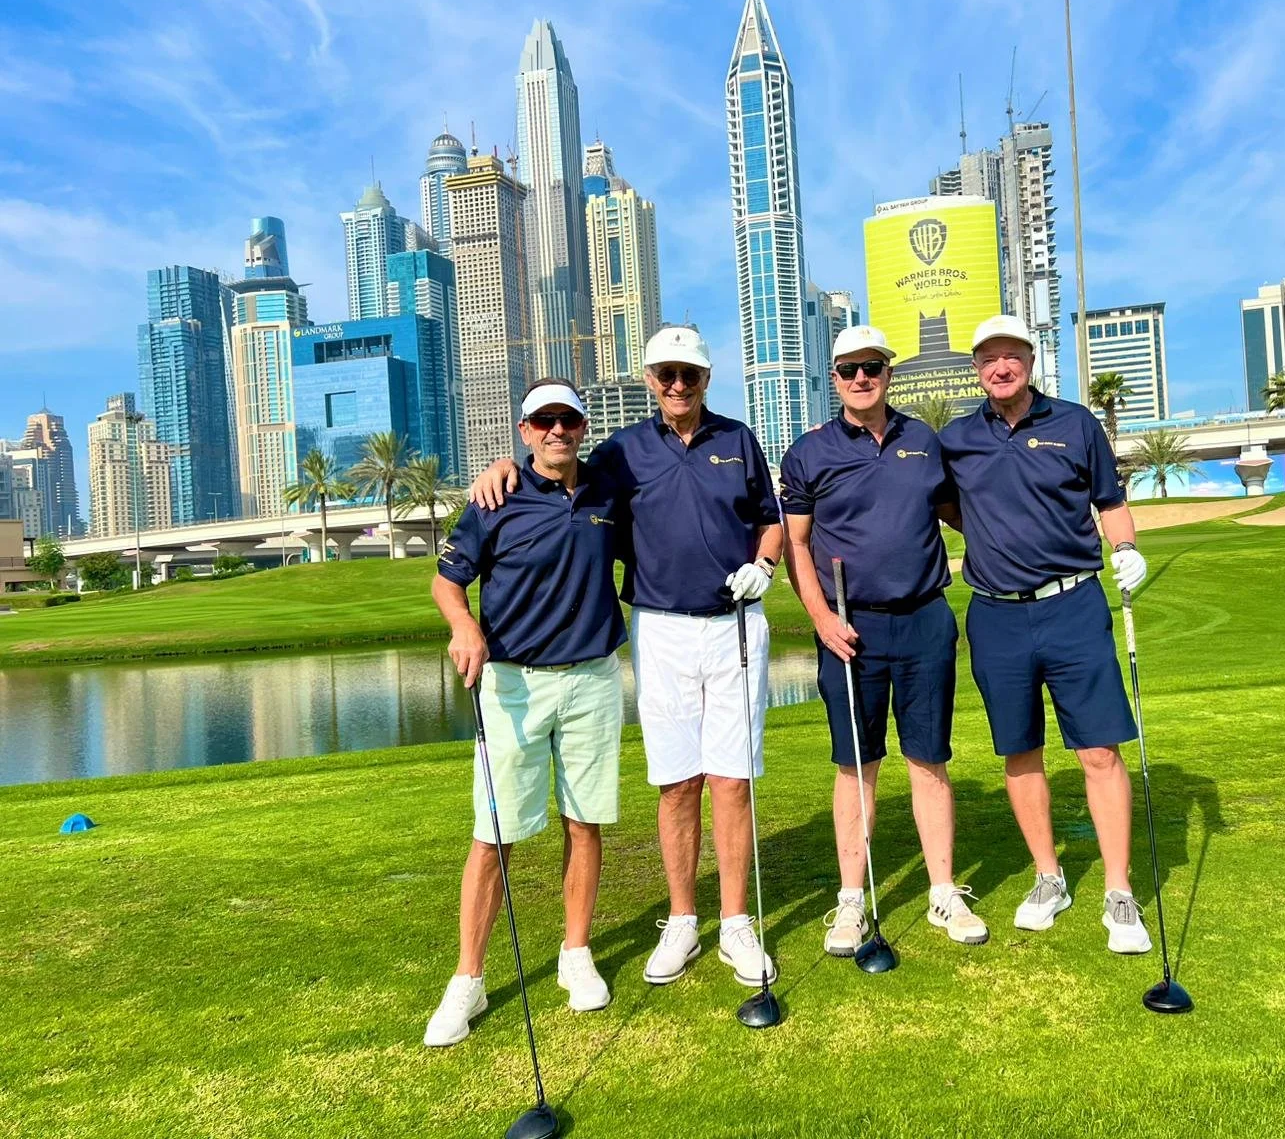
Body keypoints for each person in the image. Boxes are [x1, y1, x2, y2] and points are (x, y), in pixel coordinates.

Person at [469, 326, 785, 991]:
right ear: (650, 380)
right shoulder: (621, 452)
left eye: (689, 376)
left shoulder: (738, 440)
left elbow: (771, 518)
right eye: (665, 375)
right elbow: (556, 471)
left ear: (705, 380)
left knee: (731, 780)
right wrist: (500, 466)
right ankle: (682, 919)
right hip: (661, 628)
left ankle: (734, 923)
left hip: (735, 624)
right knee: (678, 784)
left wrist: (765, 563)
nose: (677, 386)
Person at [938, 315, 1154, 954]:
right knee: (1020, 750)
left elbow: (1109, 501)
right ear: (976, 368)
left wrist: (1127, 547)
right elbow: (945, 503)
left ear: (1029, 361)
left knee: (1099, 750)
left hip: (1074, 606)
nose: (1000, 368)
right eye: (988, 359)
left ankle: (1118, 890)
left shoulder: (1074, 423)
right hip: (996, 614)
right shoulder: (956, 439)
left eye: (1012, 357)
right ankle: (1049, 877)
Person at [423, 378, 628, 1048]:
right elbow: (447, 582)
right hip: (513, 683)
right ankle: (469, 980)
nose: (557, 430)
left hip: (593, 678)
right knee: (494, 834)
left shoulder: (607, 488)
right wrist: (462, 626)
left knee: (584, 820)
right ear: (525, 429)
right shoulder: (496, 497)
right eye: (544, 420)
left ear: (583, 424)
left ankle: (575, 954)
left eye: (567, 418)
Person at [779, 325, 989, 956]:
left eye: (871, 367)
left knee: (928, 758)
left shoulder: (923, 442)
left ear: (888, 372)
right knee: (856, 764)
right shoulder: (809, 451)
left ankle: (943, 890)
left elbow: (964, 510)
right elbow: (795, 542)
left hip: (924, 619)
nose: (860, 378)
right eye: (848, 369)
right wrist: (819, 618)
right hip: (850, 626)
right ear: (833, 376)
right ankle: (850, 902)